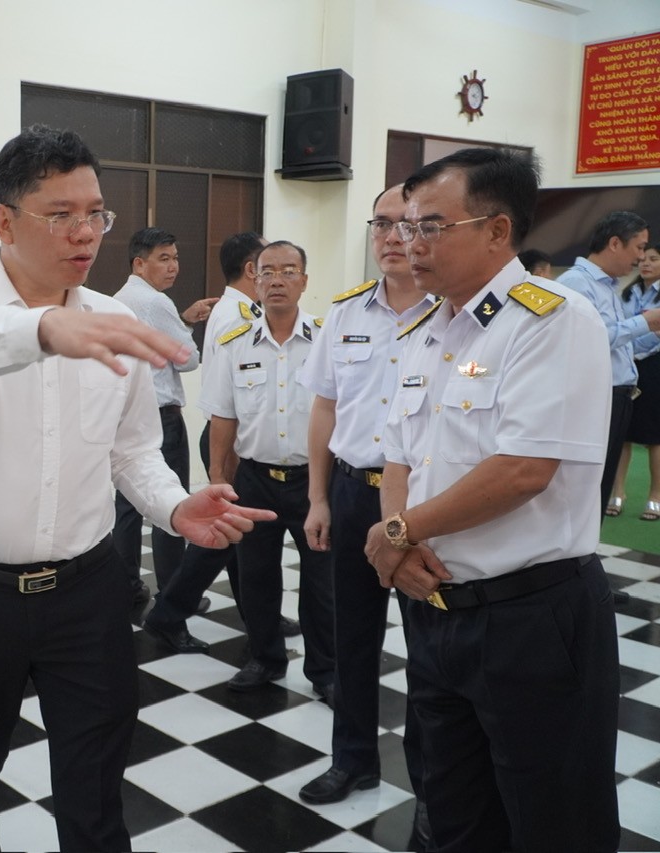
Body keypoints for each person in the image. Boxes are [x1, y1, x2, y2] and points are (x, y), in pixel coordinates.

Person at [0, 125, 274, 852]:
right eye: (61, 214)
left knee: (96, 793)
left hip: (86, 593)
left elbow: (132, 450)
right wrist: (44, 328)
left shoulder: (116, 318)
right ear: (5, 221)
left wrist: (174, 504)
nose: (86, 232)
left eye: (96, 213)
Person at [365, 148, 619, 852]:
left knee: (553, 822)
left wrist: (397, 531)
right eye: (404, 226)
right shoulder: (425, 329)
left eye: (430, 227)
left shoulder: (551, 320)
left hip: (531, 618)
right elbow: (399, 454)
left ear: (497, 230)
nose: (409, 243)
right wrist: (402, 542)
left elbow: (523, 470)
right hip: (437, 610)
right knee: (454, 813)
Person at [296, 186, 434, 845]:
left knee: (431, 645)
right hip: (353, 493)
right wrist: (318, 497)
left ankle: (433, 781)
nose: (390, 236)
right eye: (380, 224)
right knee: (351, 636)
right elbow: (324, 408)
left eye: (406, 224)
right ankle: (352, 758)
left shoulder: (453, 314)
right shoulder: (346, 312)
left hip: (424, 504)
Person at [181, 241, 334, 698]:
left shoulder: (327, 339)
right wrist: (218, 481)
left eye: (288, 271)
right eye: (267, 272)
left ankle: (326, 672)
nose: (277, 281)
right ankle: (265, 658)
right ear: (255, 280)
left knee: (322, 583)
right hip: (255, 479)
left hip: (315, 482)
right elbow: (223, 417)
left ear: (304, 281)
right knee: (256, 579)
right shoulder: (235, 343)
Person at [110, 227, 217, 601]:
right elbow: (188, 361)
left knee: (128, 505)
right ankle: (173, 593)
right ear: (139, 264)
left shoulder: (120, 298)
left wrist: (182, 321)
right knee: (171, 503)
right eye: (163, 258)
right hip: (162, 417)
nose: (173, 266)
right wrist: (187, 331)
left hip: (127, 414)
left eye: (175, 258)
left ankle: (127, 586)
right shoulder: (156, 302)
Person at [556, 210, 657, 514]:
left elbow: (618, 342)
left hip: (618, 394)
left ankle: (589, 539)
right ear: (614, 243)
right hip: (597, 396)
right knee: (587, 486)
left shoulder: (608, 285)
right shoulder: (577, 283)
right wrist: (646, 322)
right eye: (639, 247)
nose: (641, 258)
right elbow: (592, 338)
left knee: (600, 483)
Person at [610, 243, 660, 519]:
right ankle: (617, 492)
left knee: (654, 437)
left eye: (653, 259)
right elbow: (618, 329)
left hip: (654, 366)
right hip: (625, 365)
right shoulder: (627, 293)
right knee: (623, 433)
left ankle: (655, 496)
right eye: (643, 259)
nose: (645, 263)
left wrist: (631, 341)